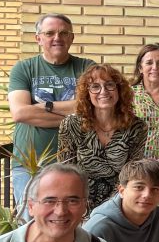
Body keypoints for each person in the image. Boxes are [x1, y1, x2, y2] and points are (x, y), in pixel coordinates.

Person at [7, 13, 95, 204]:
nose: (57, 38)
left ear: (72, 38)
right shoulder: (24, 68)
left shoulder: (87, 67)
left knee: (74, 217)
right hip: (30, 166)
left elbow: (92, 110)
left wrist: (42, 108)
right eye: (50, 33)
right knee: (30, 219)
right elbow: (20, 113)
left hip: (76, 163)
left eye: (64, 33)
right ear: (38, 38)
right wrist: (74, 115)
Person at [58, 64, 147, 209]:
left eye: (109, 85)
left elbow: (131, 174)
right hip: (78, 198)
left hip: (119, 200)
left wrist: (108, 208)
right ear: (87, 93)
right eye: (95, 87)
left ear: (119, 90)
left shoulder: (136, 127)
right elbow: (65, 171)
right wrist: (82, 206)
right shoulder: (71, 124)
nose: (103, 91)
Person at [130, 44, 159, 160]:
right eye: (149, 63)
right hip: (137, 165)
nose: (155, 67)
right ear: (140, 68)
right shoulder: (128, 95)